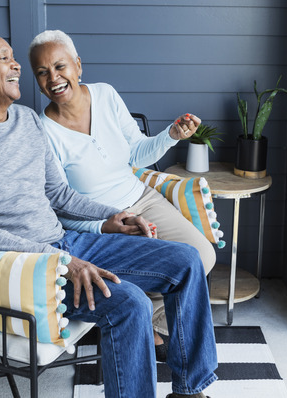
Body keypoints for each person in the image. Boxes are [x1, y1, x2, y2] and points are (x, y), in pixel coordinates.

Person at [0, 29, 217, 398]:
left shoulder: (27, 121)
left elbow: (59, 194)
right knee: (130, 304)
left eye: (14, 57)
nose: (17, 65)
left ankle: (189, 391)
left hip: (66, 244)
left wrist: (116, 215)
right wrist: (61, 260)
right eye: (3, 58)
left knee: (187, 260)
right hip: (28, 267)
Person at [28, 30, 217, 356]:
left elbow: (136, 154)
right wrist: (105, 224)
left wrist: (171, 135)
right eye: (42, 72)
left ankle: (152, 321)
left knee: (203, 256)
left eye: (60, 67)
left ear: (78, 65)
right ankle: (143, 322)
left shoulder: (105, 95)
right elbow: (59, 206)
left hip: (141, 198)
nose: (54, 78)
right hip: (97, 225)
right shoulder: (41, 130)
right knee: (160, 273)